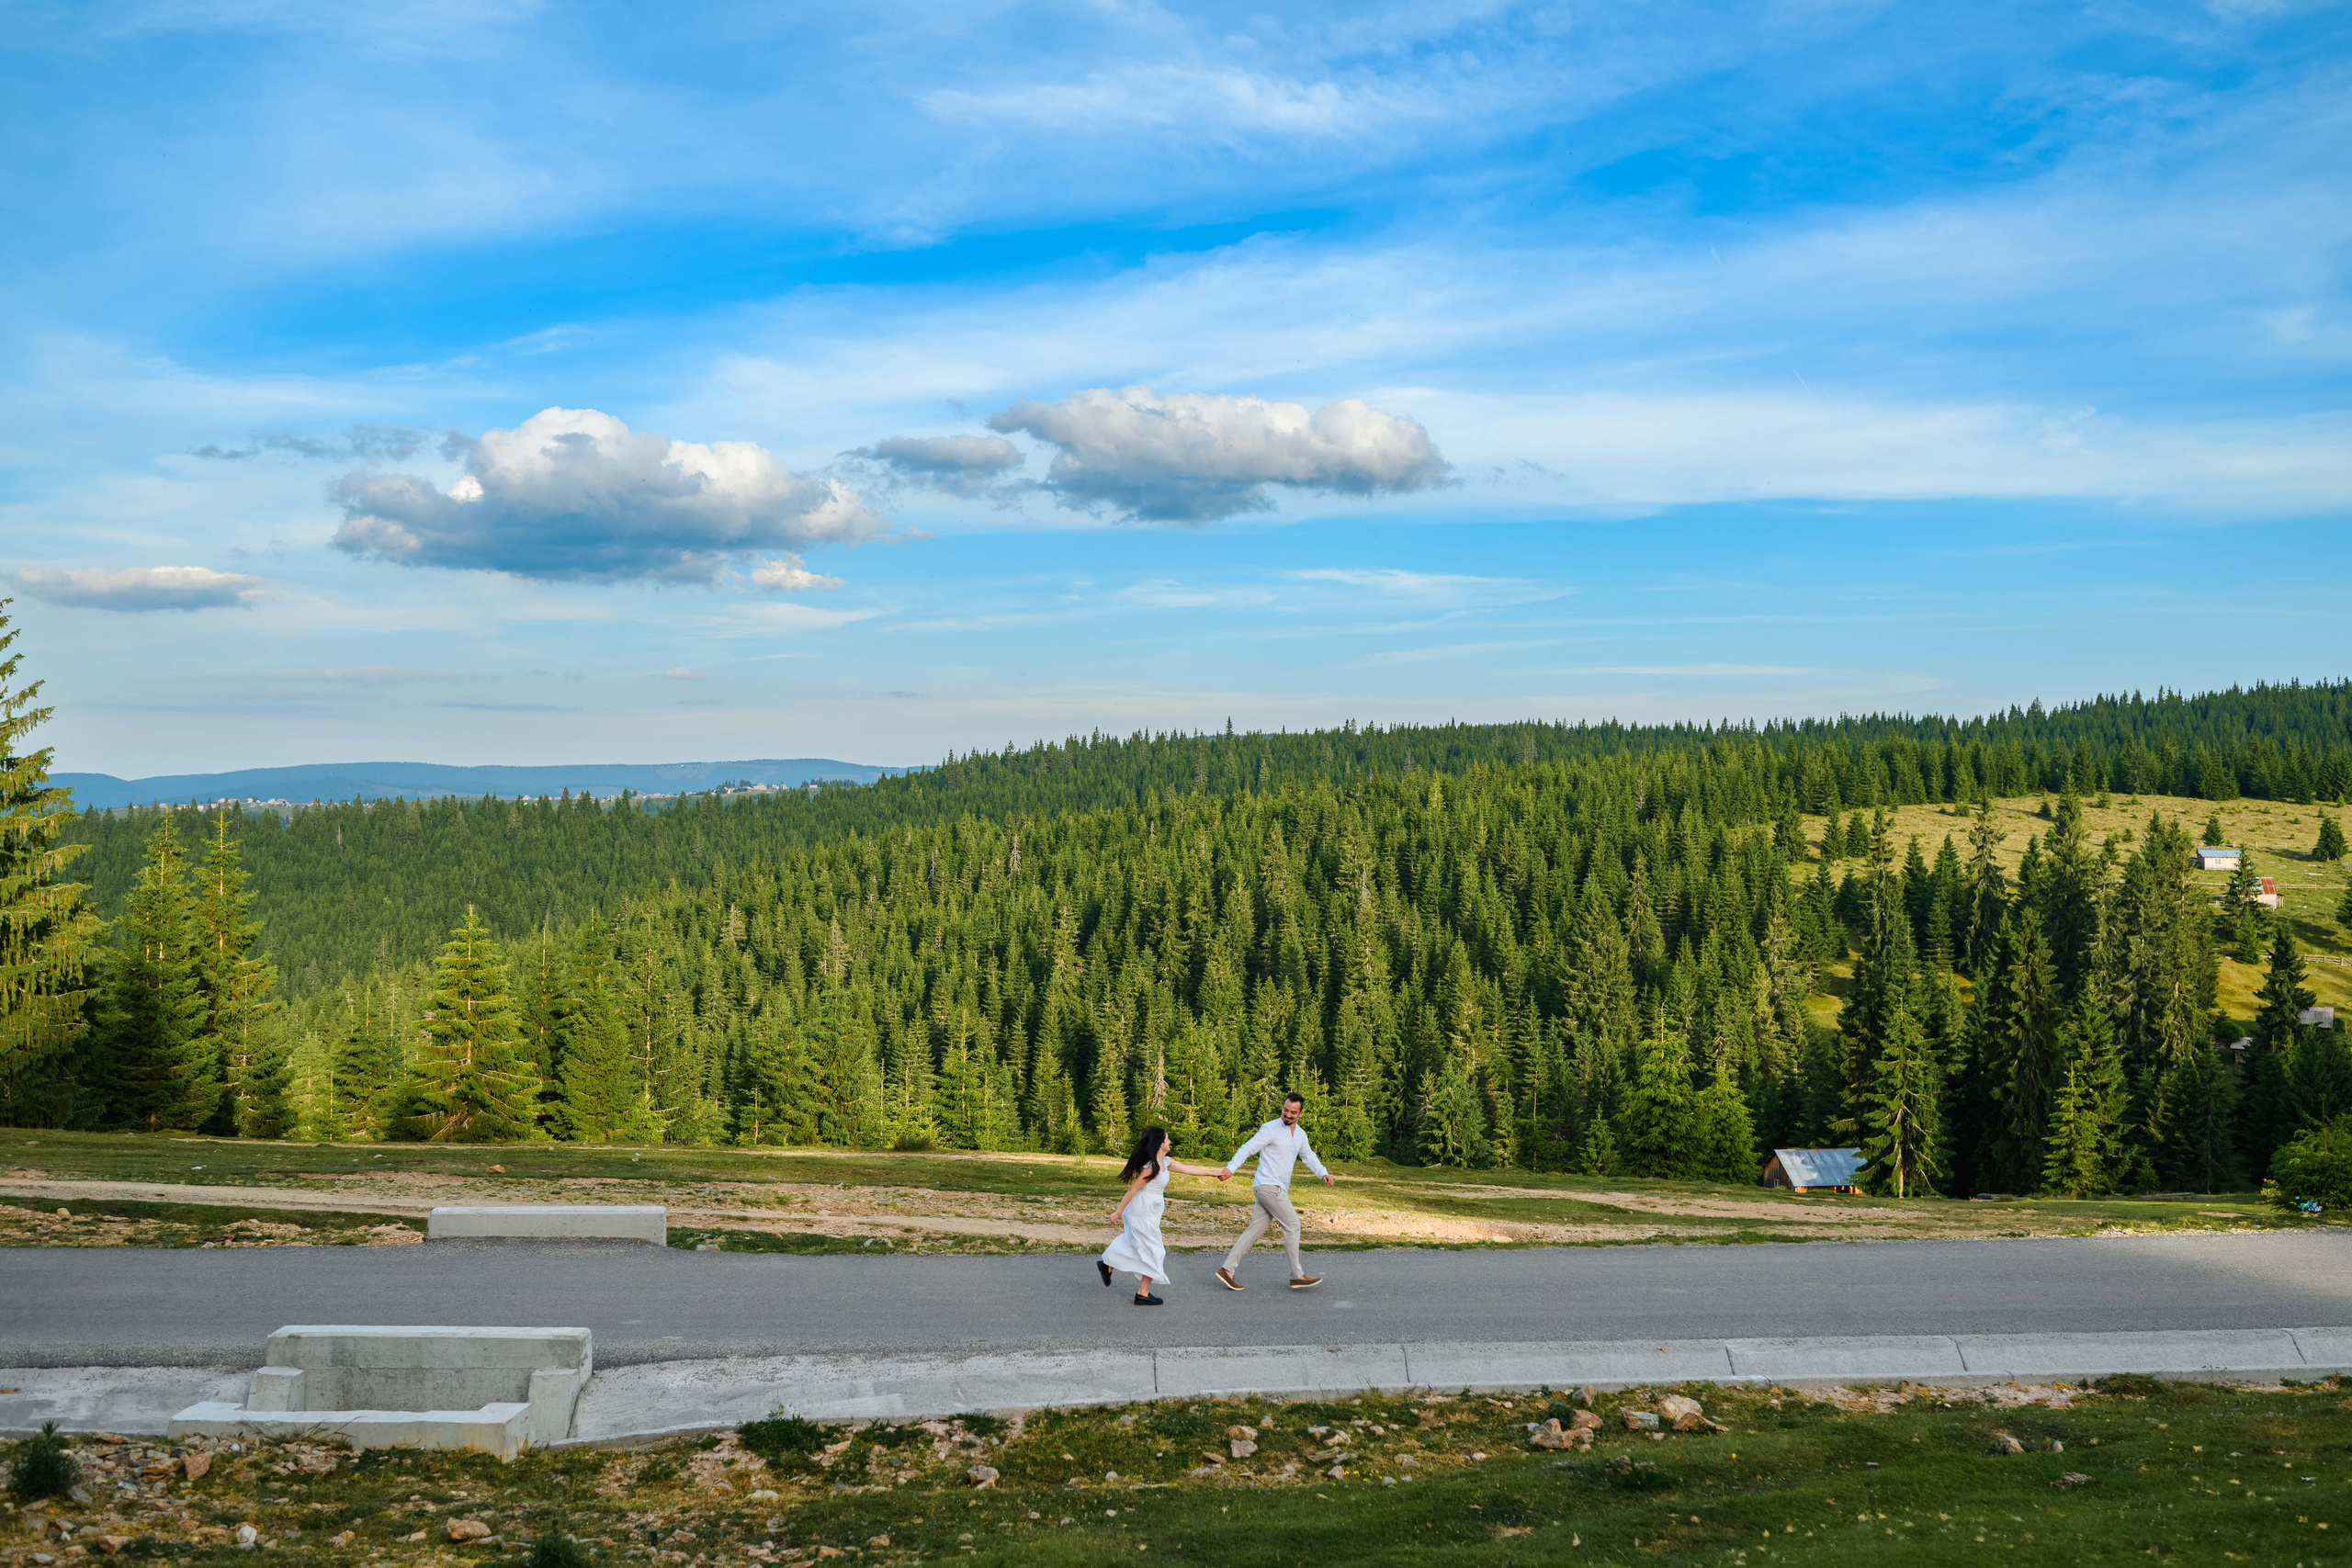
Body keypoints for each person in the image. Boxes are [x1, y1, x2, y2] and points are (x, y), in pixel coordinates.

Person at [1216, 1091, 1336, 1291]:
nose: (1288, 1114)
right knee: (1293, 1225)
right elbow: (1248, 1148)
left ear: (1300, 1114)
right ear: (1282, 1108)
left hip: (1273, 1188)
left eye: (1293, 1112)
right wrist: (1231, 1168)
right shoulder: (1270, 1129)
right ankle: (1297, 1275)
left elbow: (1309, 1157)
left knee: (1255, 1229)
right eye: (1285, 1110)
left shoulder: (1300, 1135)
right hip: (1268, 1186)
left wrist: (1323, 1173)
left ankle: (1227, 1269)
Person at [1099, 1124, 1227, 1306]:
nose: (1170, 1141)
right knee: (1155, 1250)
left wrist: (1213, 1173)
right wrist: (1117, 1212)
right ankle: (1142, 1293)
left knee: (1132, 1243)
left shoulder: (1165, 1162)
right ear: (1160, 1144)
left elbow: (1189, 1169)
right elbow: (1133, 1188)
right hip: (1140, 1212)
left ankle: (1108, 1265)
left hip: (1150, 1212)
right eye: (1167, 1138)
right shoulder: (1151, 1168)